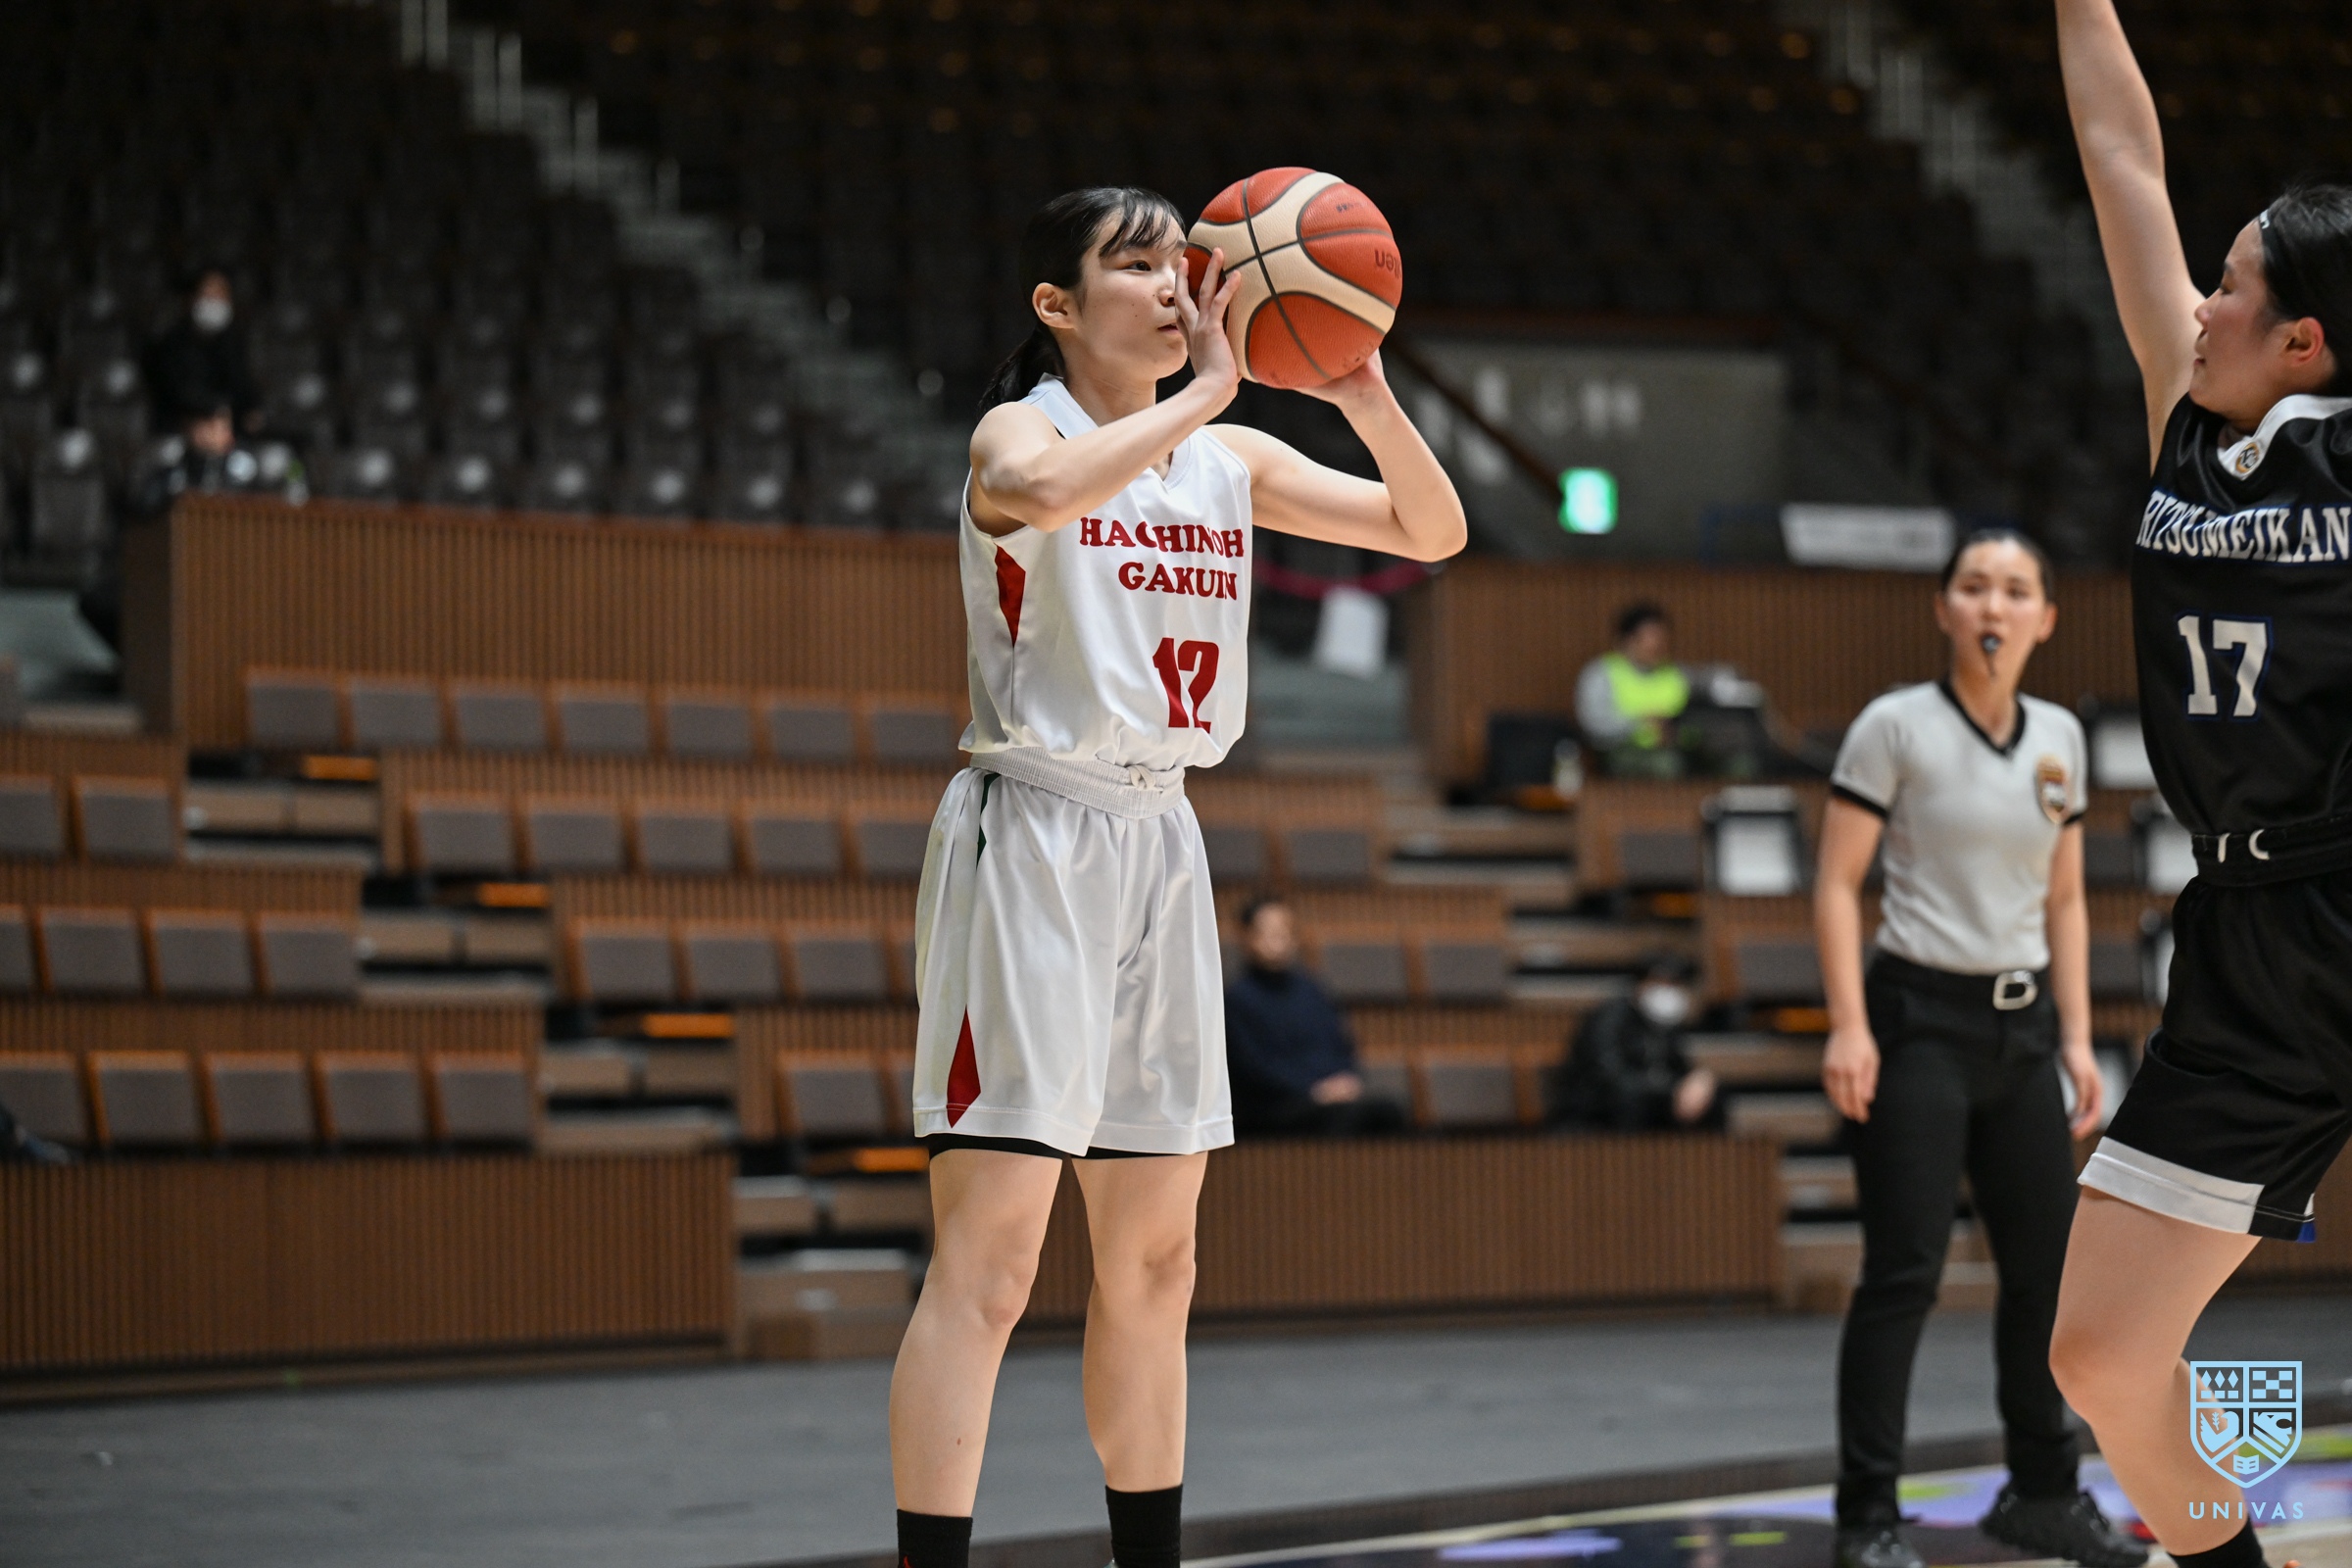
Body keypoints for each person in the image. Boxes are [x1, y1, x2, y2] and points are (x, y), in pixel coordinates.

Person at [889, 187, 1464, 1568]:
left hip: (1162, 838)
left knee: (1159, 1264)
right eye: (1135, 265)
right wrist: (1208, 389)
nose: (1171, 287)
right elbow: (1034, 496)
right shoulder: (1022, 432)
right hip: (1032, 833)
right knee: (996, 1262)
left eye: (1180, 265)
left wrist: (1361, 389)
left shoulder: (1229, 458)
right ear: (1057, 304)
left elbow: (1431, 528)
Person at [2049, 8, 2352, 1568]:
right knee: (2101, 1358)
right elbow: (2121, 153)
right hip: (2246, 936)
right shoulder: (2183, 420)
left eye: (2233, 284)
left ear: (2304, 341)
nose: (2203, 299)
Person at [1814, 529, 2141, 1568]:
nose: (1993, 605)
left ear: (2046, 617)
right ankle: (1867, 1514)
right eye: (1973, 587)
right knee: (1903, 1271)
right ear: (1945, 609)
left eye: (2015, 590)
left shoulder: (2061, 737)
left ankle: (2042, 1492)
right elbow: (1836, 884)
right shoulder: (1894, 726)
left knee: (2044, 1276)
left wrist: (2078, 1037)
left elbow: (2066, 897)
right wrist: (1849, 1023)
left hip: (2025, 1028)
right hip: (1918, 1022)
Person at [1223, 894, 1411, 1138]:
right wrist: (1314, 1090)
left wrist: (1344, 1080)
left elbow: (1342, 1046)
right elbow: (1252, 1069)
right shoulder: (1236, 999)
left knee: (1388, 1111)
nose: (1278, 938)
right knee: (1343, 1117)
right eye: (1268, 931)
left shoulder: (1312, 990)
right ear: (1246, 936)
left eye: (1284, 930)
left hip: (1324, 1099)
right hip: (1273, 1107)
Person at [1553, 955, 1719, 1131]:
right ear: (1640, 984)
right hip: (1596, 1111)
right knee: (1631, 1099)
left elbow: (1676, 1067)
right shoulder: (1610, 1018)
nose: (1667, 991)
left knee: (1709, 1097)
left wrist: (1697, 1080)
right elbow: (1608, 1074)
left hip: (1649, 1101)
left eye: (1674, 984)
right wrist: (1668, 1091)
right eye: (1660, 982)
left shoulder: (1666, 1024)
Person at [1576, 601, 1690, 777]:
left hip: (1676, 748)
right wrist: (1640, 724)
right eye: (1650, 638)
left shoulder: (1676, 674)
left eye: (1661, 638)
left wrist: (1675, 732)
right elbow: (1594, 725)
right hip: (1619, 752)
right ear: (1627, 640)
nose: (1657, 645)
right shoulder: (1602, 673)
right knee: (1666, 765)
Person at [144, 269, 259, 435]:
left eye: (220, 295)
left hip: (227, 429)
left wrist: (250, 411)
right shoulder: (172, 343)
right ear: (192, 299)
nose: (214, 302)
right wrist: (212, 411)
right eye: (208, 295)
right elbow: (176, 391)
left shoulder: (234, 341)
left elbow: (243, 386)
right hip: (178, 428)